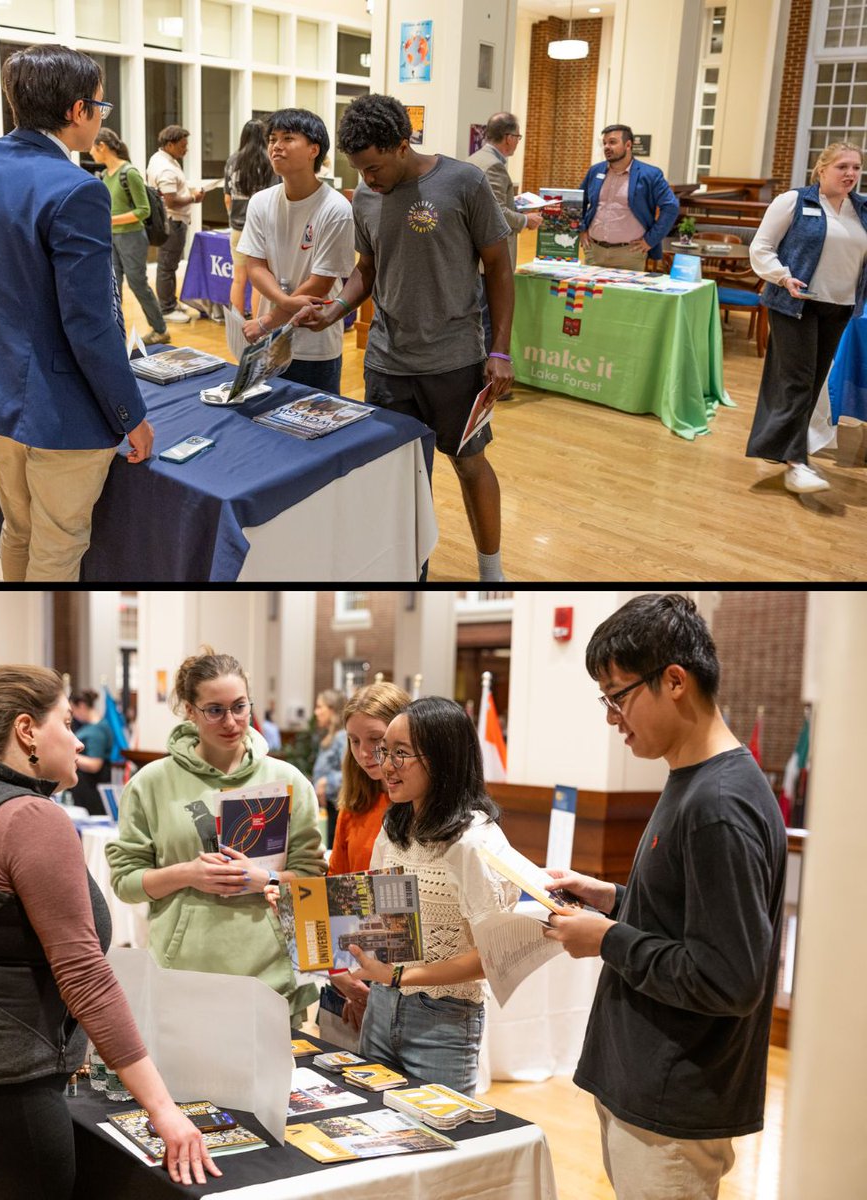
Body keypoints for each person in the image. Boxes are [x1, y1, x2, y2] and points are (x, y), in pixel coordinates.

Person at [0, 666, 220, 1198]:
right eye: (68, 722)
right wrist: (163, 1109)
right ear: (26, 731)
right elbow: (85, 975)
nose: (78, 741)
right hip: (1, 1088)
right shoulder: (28, 818)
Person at [542, 593, 787, 1200]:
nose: (612, 717)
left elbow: (729, 979)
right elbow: (690, 918)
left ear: (674, 681)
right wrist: (613, 899)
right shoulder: (693, 780)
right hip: (646, 1083)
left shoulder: (718, 804)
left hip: (673, 1100)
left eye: (618, 696)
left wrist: (608, 940)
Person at [0, 44, 154, 583]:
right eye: (99, 106)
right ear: (77, 111)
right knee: (58, 547)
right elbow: (89, 323)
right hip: (58, 410)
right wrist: (130, 413)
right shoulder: (77, 190)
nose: (100, 117)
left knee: (17, 528)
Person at [296, 95, 514, 584]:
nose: (367, 179)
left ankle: (492, 573)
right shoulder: (366, 196)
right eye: (359, 170)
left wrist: (499, 349)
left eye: (373, 167)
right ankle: (408, 574)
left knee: (470, 465)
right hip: (387, 362)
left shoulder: (464, 182)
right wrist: (335, 309)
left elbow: (499, 267)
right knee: (399, 477)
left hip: (454, 359)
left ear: (401, 144)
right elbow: (368, 268)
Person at [105, 647, 326, 1021]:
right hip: (182, 977)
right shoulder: (150, 784)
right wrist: (188, 874)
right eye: (215, 710)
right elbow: (126, 883)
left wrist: (264, 879)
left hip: (271, 979)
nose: (231, 722)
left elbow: (312, 881)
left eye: (240, 707)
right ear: (190, 711)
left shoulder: (288, 781)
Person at [346, 696, 519, 1096]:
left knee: (434, 1130)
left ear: (443, 758)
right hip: (381, 1005)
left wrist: (399, 975)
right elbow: (383, 924)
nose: (386, 765)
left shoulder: (475, 842)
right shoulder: (394, 828)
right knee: (370, 1124)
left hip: (443, 1019)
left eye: (400, 753)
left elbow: (492, 955)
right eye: (385, 751)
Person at [745, 142, 867, 494]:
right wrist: (782, 276)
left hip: (840, 306)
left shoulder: (861, 209)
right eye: (842, 166)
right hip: (795, 303)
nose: (850, 174)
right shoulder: (794, 201)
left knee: (812, 383)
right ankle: (797, 463)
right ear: (821, 169)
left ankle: (782, 449)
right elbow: (761, 247)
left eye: (856, 167)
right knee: (797, 381)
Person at [319, 682, 412, 1048]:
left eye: (375, 739)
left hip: (411, 985)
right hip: (352, 972)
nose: (363, 753)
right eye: (353, 741)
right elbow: (335, 897)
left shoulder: (421, 808)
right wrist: (342, 975)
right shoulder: (354, 807)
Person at [238, 109, 355, 394]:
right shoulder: (261, 202)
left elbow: (320, 284)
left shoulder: (336, 209)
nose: (276, 146)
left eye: (288, 138)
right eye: (272, 139)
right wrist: (283, 305)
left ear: (314, 150)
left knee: (314, 417)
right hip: (269, 341)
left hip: (314, 342)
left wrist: (267, 321)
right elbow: (255, 266)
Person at [469, 112, 542, 380]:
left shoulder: (475, 159)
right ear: (509, 138)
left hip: (475, 257)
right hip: (489, 259)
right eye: (518, 137)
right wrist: (525, 220)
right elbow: (496, 211)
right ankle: (489, 378)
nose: (518, 142)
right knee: (489, 321)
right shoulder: (494, 166)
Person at [91, 128, 170, 345]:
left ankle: (160, 329)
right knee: (113, 287)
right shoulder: (105, 175)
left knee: (138, 285)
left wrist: (110, 220)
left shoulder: (129, 173)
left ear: (102, 146)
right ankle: (115, 333)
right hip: (112, 238)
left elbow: (143, 210)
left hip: (132, 238)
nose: (90, 152)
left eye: (93, 148)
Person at [579, 124, 679, 271]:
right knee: (588, 287)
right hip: (594, 251)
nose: (607, 147)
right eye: (604, 143)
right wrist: (581, 229)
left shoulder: (650, 174)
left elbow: (671, 207)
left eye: (612, 142)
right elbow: (578, 201)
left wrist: (650, 240)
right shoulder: (595, 171)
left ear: (628, 145)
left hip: (630, 254)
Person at [146, 125, 205, 325]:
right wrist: (194, 198)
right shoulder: (165, 167)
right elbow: (171, 201)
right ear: (170, 144)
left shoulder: (161, 159)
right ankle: (166, 308)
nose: (186, 150)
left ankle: (170, 302)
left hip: (171, 220)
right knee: (167, 266)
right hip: (173, 221)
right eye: (182, 146)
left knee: (169, 265)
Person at [223, 120, 276, 318]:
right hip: (261, 229)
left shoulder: (232, 161)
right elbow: (274, 197)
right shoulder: (269, 160)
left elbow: (227, 198)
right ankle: (257, 324)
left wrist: (234, 217)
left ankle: (236, 325)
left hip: (237, 228)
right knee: (259, 282)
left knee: (238, 279)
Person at [68, 688, 114, 815]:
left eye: (73, 710)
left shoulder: (97, 731)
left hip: (91, 791)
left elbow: (95, 764)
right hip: (85, 789)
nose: (73, 715)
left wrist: (69, 755)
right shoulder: (91, 727)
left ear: (82, 706)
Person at [311, 688, 347, 848]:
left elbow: (350, 773)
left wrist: (327, 781)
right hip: (329, 806)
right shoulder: (330, 736)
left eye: (320, 707)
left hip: (337, 806)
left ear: (332, 710)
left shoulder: (342, 737)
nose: (316, 712)